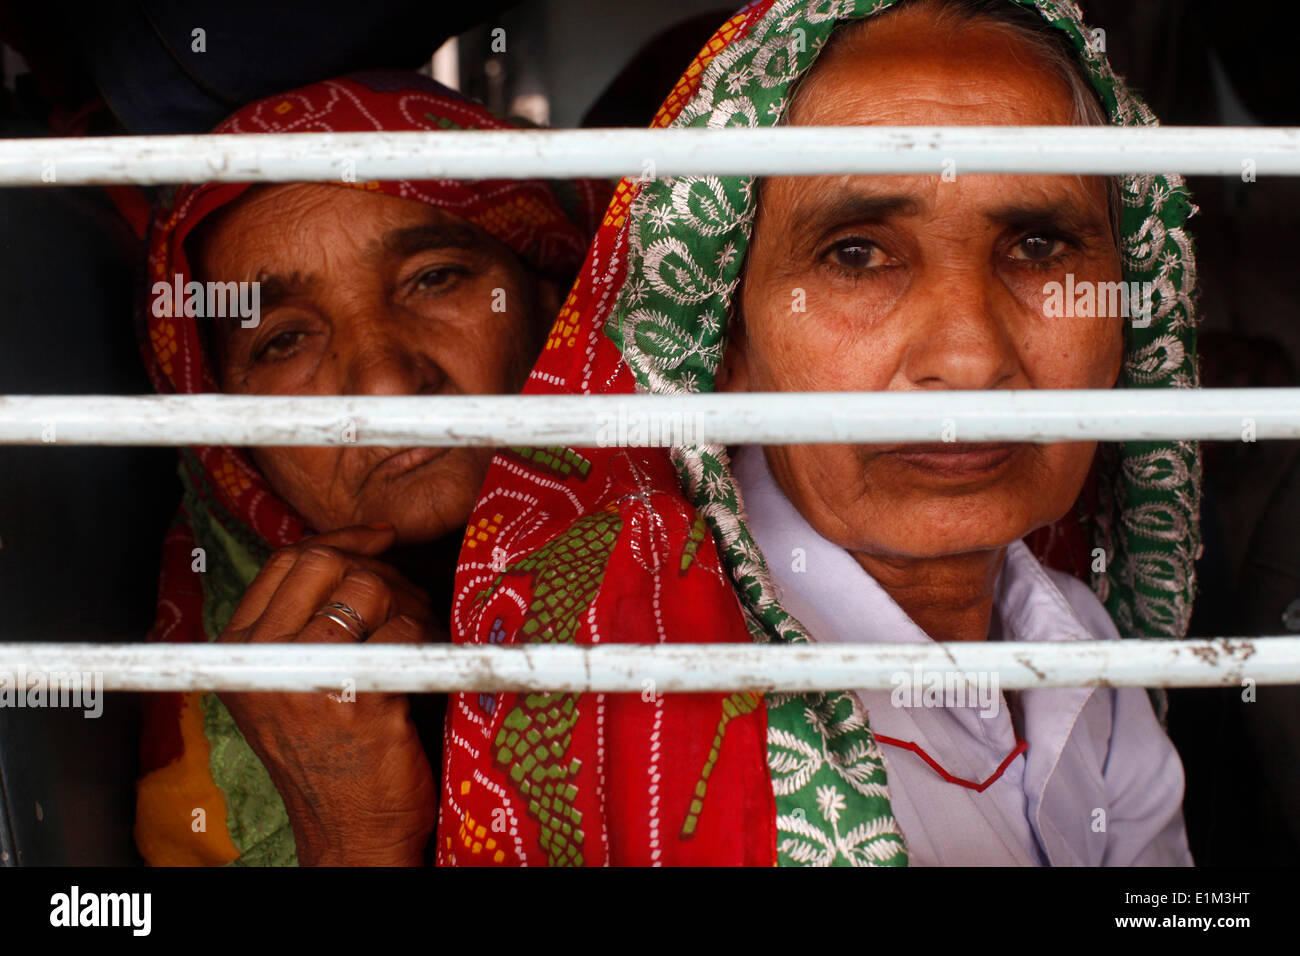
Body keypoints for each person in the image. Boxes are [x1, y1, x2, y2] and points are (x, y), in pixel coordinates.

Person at [436, 0, 1198, 866]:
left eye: (1038, 245)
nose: (971, 358)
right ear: (725, 340)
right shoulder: (643, 701)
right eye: (856, 254)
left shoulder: (1075, 638)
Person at [132, 69, 608, 866]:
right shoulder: (201, 777)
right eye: (284, 340)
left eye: (435, 279)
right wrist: (353, 834)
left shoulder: (757, 569)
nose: (385, 381)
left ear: (549, 297)